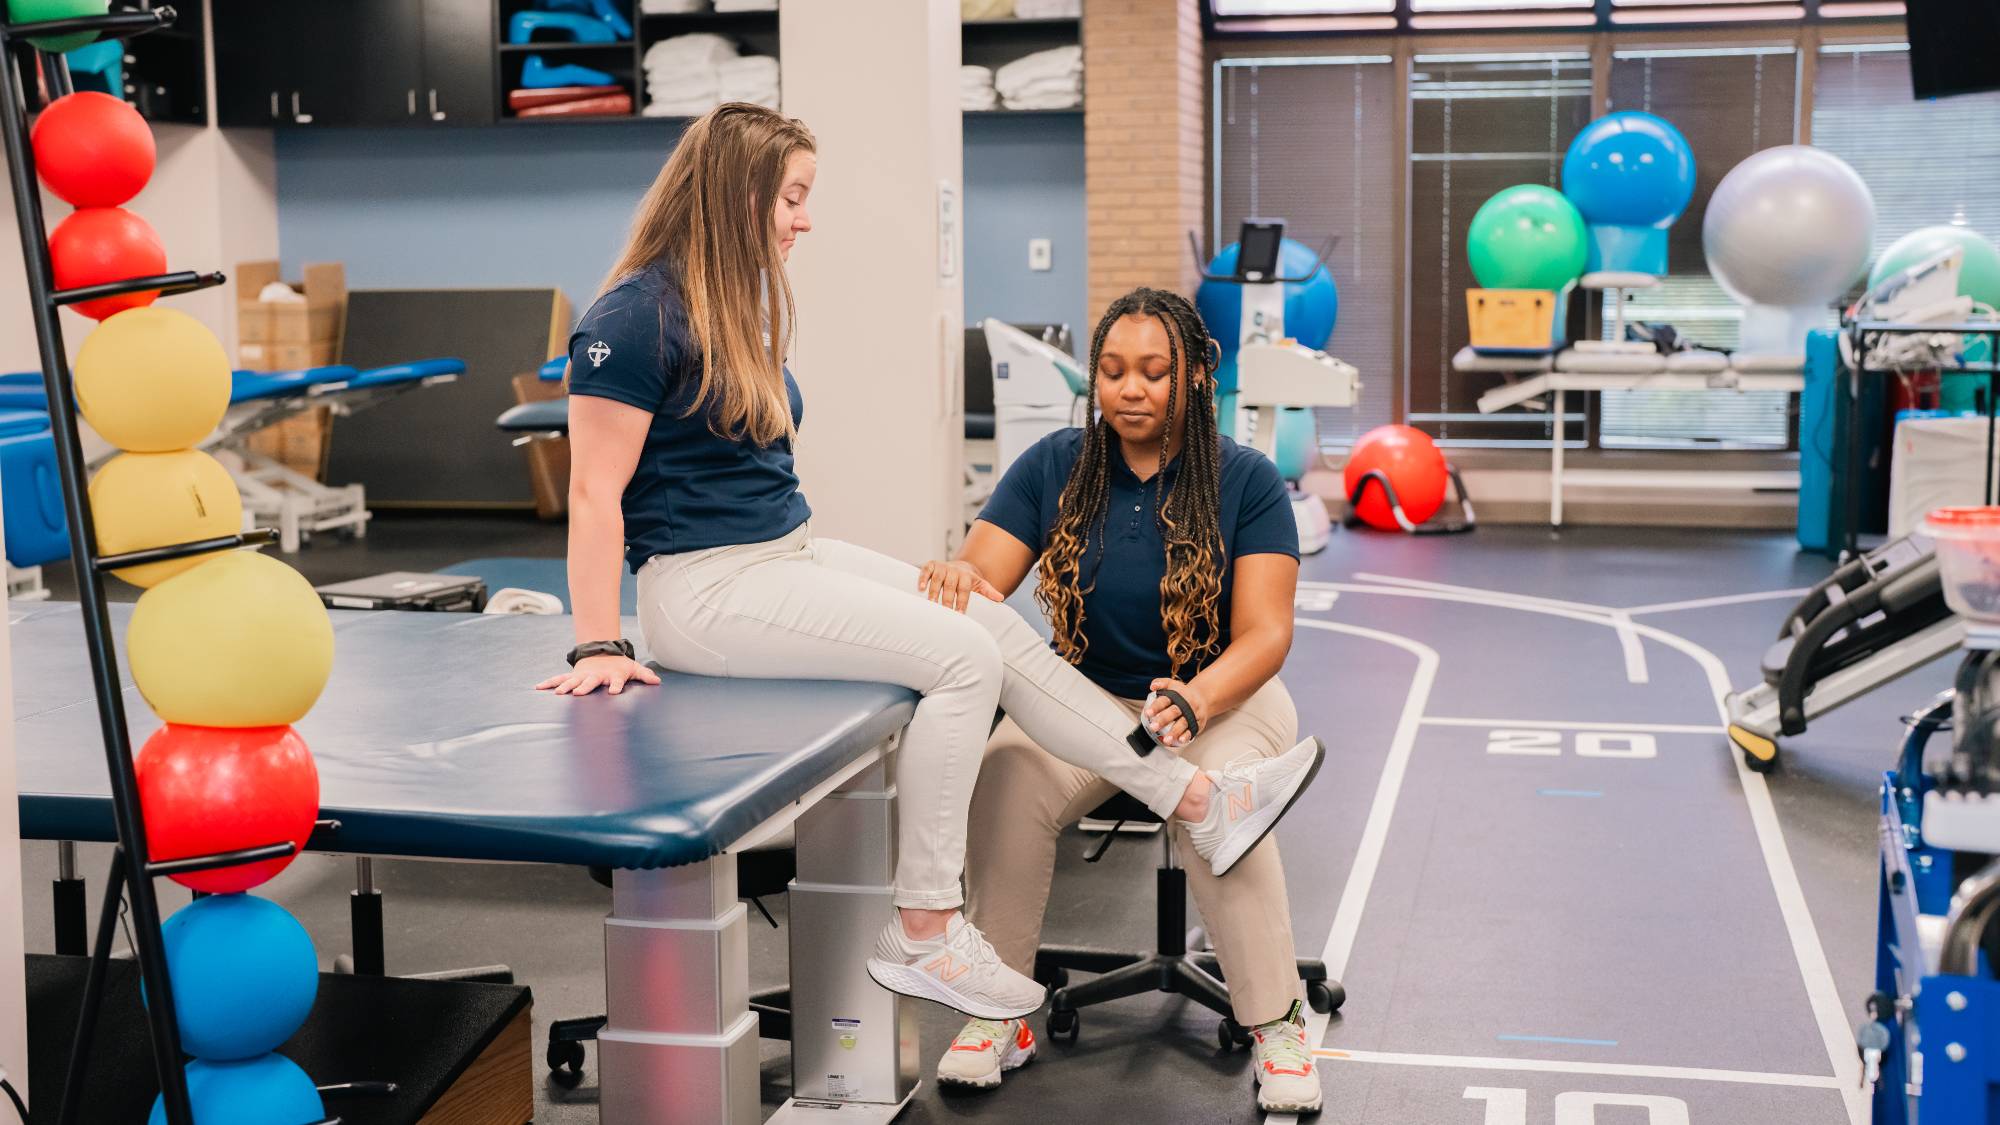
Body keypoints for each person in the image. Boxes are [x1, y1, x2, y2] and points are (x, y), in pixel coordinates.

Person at [537, 103, 1321, 1023]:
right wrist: (596, 641)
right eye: (792, 196)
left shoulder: (729, 300)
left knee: (990, 625)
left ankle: (1194, 798)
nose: (804, 218)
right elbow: (593, 493)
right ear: (737, 193)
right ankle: (926, 923)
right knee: (964, 661)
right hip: (705, 588)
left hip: (781, 555)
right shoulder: (632, 318)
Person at [915, 288, 1325, 1115]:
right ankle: (1001, 1013)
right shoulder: (1053, 466)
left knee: (1220, 808)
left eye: (1152, 372)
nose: (1129, 390)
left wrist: (1199, 699)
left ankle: (1277, 1022)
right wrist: (959, 578)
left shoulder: (1245, 480)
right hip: (1085, 699)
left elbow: (1266, 634)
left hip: (1225, 696)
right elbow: (983, 582)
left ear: (1196, 377)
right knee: (1007, 777)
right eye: (1111, 371)